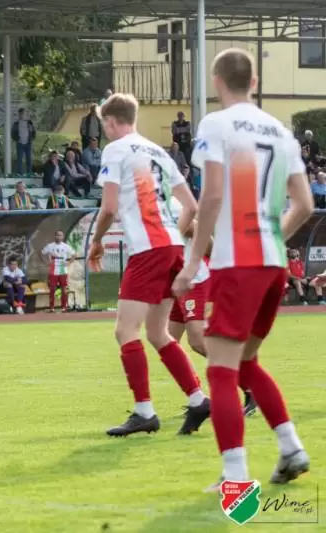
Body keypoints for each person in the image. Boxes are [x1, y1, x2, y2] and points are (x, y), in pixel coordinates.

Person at [172, 48, 313, 490]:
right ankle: (290, 447)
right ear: (253, 82)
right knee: (246, 361)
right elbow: (305, 204)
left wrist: (192, 262)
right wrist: (273, 240)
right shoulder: (281, 131)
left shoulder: (217, 124)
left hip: (238, 263)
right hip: (272, 263)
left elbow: (212, 196)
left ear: (217, 81)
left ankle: (235, 475)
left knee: (220, 368)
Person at [88, 92, 209, 437]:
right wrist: (173, 234)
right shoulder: (158, 150)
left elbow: (109, 207)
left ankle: (144, 411)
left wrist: (96, 241)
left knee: (125, 331)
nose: (105, 130)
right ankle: (199, 400)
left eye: (104, 124)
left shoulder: (116, 149)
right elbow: (192, 205)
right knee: (158, 333)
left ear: (111, 121)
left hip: (148, 248)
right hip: (172, 246)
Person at [167, 199, 257, 417]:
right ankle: (198, 399)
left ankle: (250, 387)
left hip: (194, 281)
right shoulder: (144, 204)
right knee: (168, 341)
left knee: (198, 341)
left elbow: (196, 229)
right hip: (176, 283)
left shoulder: (169, 203)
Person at [42, 230, 76, 312]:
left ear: (63, 237)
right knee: (52, 289)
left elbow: (74, 254)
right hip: (53, 268)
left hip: (62, 268)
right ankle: (51, 307)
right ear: (55, 236)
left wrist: (69, 263)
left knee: (64, 289)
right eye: (57, 235)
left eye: (60, 235)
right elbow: (42, 252)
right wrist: (46, 262)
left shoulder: (65, 246)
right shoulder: (50, 246)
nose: (59, 237)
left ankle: (64, 307)